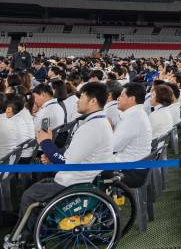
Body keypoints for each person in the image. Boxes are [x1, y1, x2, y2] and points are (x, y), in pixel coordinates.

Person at [17, 82, 113, 240]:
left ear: (93, 101)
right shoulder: (97, 123)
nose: (77, 101)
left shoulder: (92, 128)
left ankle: (26, 237)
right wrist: (52, 157)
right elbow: (74, 154)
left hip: (73, 182)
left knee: (30, 195)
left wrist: (46, 142)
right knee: (37, 187)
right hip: (78, 177)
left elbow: (66, 162)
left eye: (81, 97)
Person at [112, 83, 153, 187]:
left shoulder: (133, 118)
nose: (118, 98)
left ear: (132, 99)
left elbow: (113, 146)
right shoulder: (137, 114)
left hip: (130, 171)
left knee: (89, 166)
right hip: (135, 166)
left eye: (121, 96)